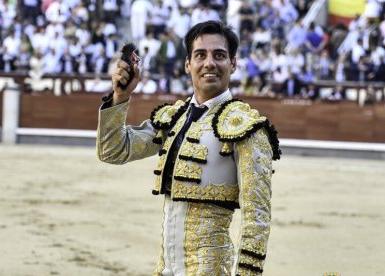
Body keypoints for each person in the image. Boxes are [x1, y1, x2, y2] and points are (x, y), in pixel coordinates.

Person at [96, 20, 281, 275]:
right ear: (187, 64)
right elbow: (112, 150)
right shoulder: (174, 118)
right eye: (200, 55)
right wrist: (120, 97)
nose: (209, 63)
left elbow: (256, 218)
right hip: (165, 268)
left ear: (233, 64)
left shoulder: (247, 128)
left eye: (219, 55)